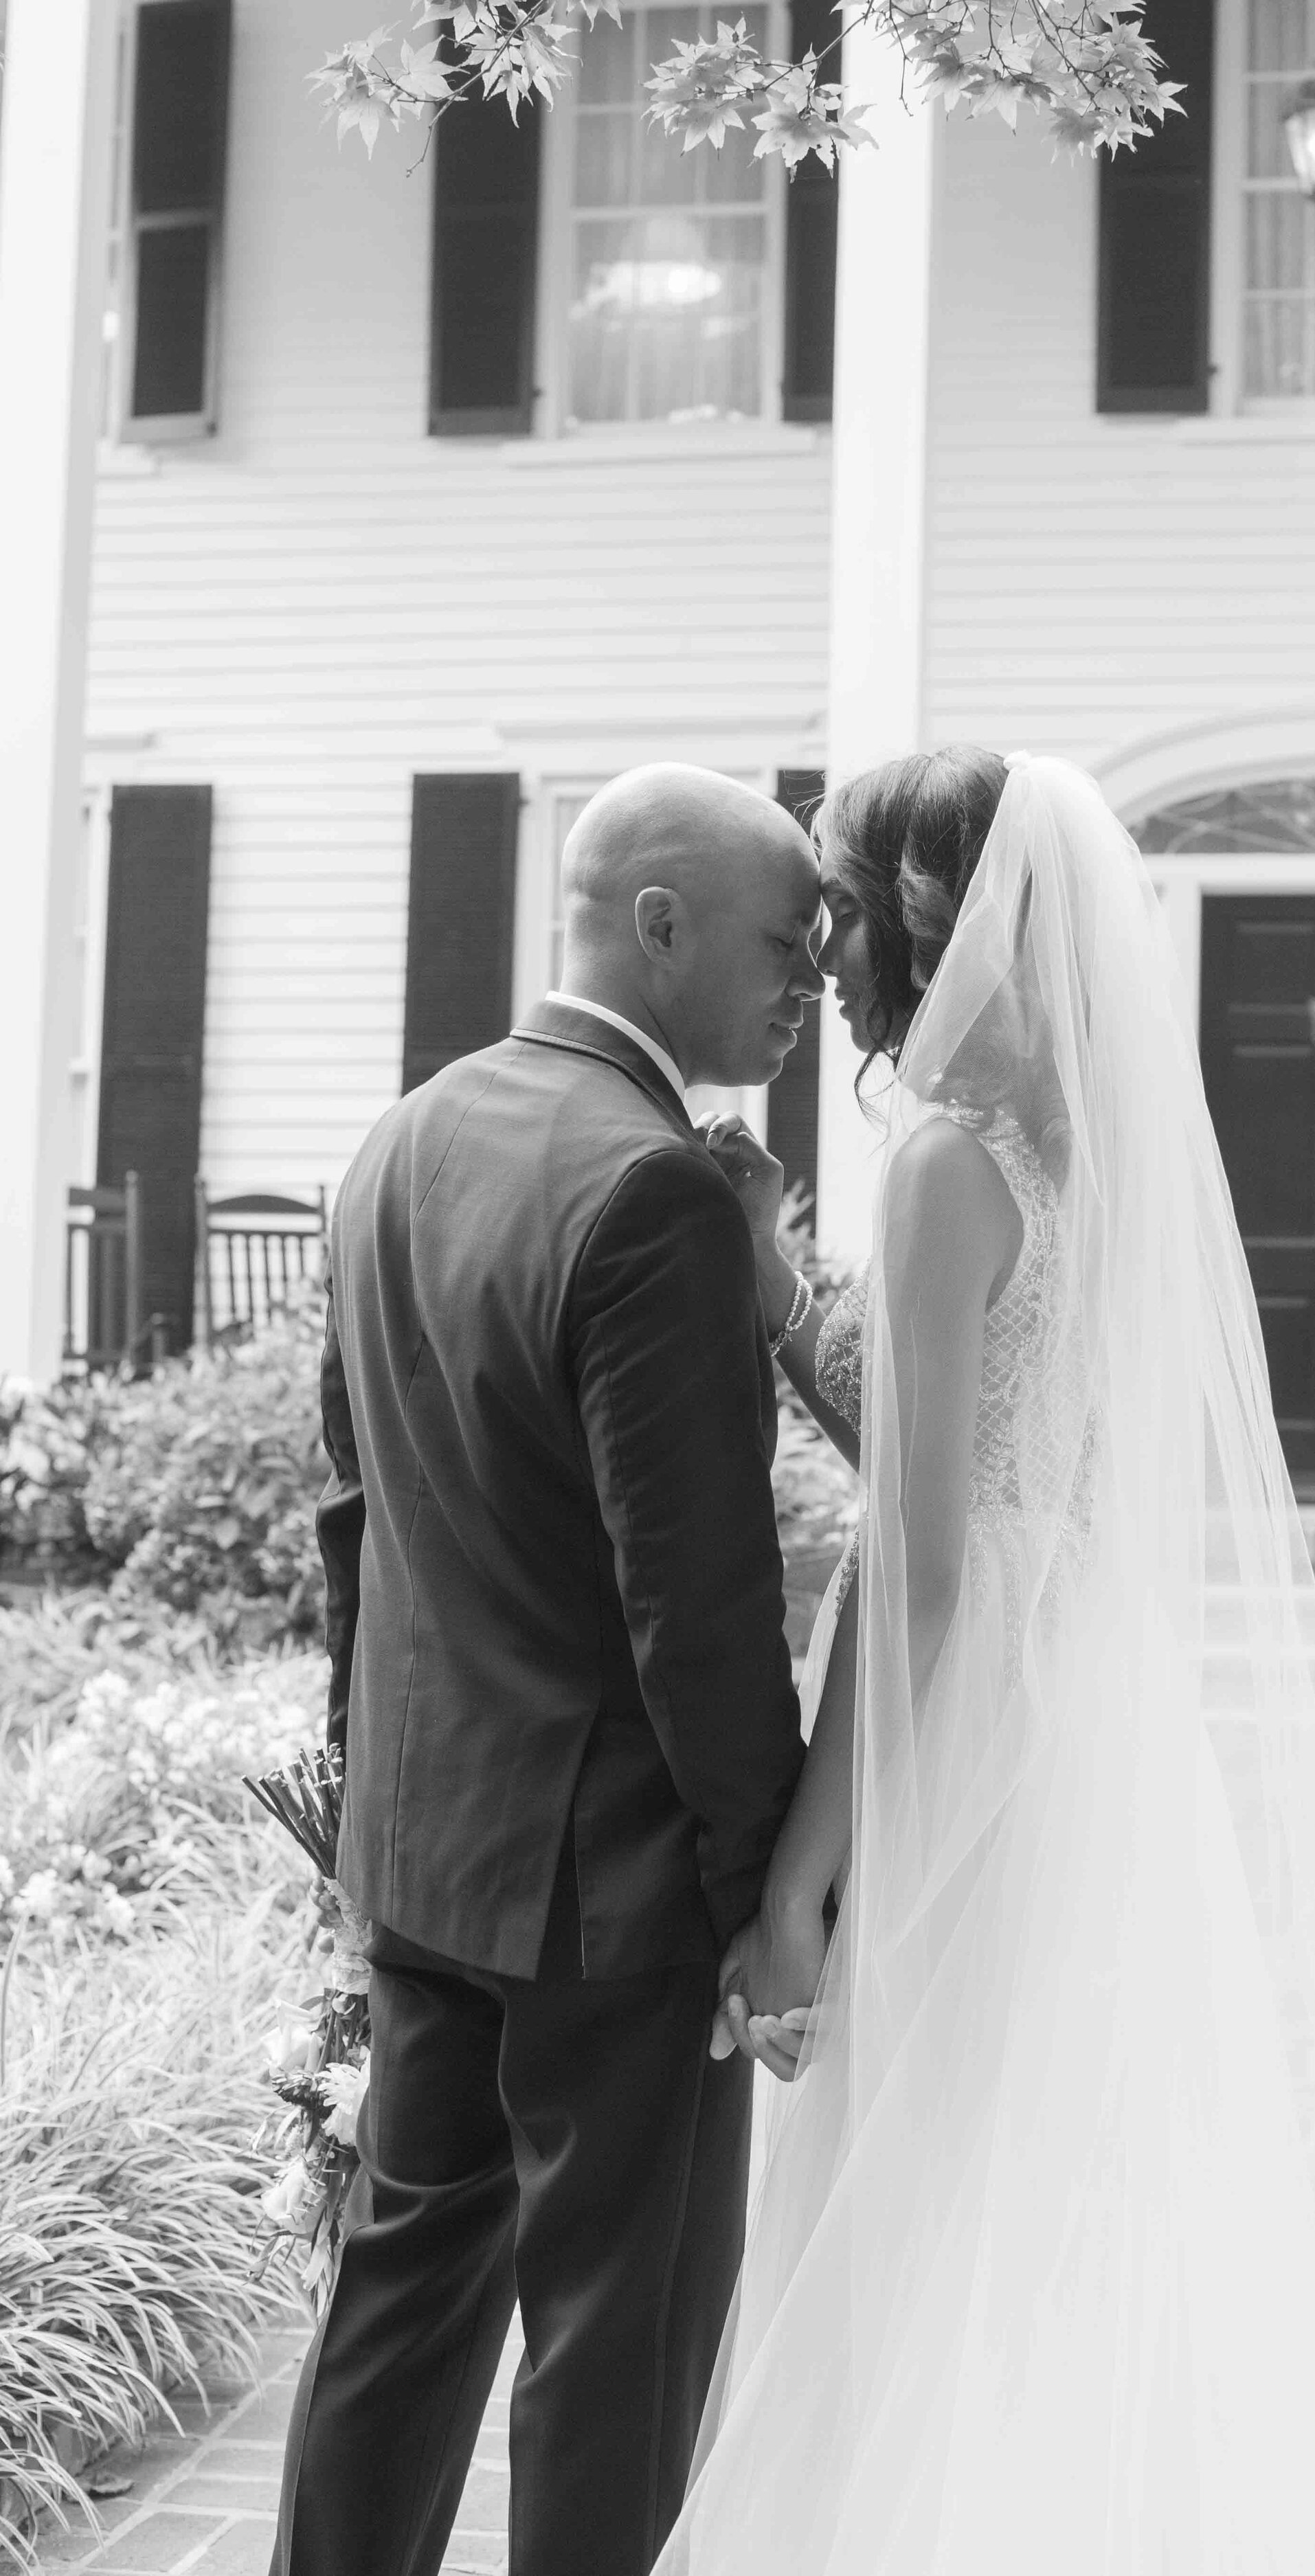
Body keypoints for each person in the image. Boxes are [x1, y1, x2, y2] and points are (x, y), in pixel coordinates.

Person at [671, 749, 1315, 2575]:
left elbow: (915, 1563)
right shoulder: (1091, 1150)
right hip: (1083, 1693)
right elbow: (1010, 1463)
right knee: (1060, 2155)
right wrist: (786, 1311)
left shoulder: (938, 1170)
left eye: (849, 914)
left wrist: (804, 1871)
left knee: (917, 2177)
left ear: (938, 921)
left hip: (960, 1714)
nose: (828, 958)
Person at [269, 764, 828, 2576]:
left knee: (397, 2309)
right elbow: (700, 1609)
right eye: (782, 937)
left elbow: (352, 1519)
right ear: (655, 924)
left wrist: (370, 1797)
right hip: (619, 1897)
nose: (808, 980)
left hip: (429, 1858)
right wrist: (766, 1901)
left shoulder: (401, 1137)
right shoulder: (654, 1193)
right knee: (615, 2358)